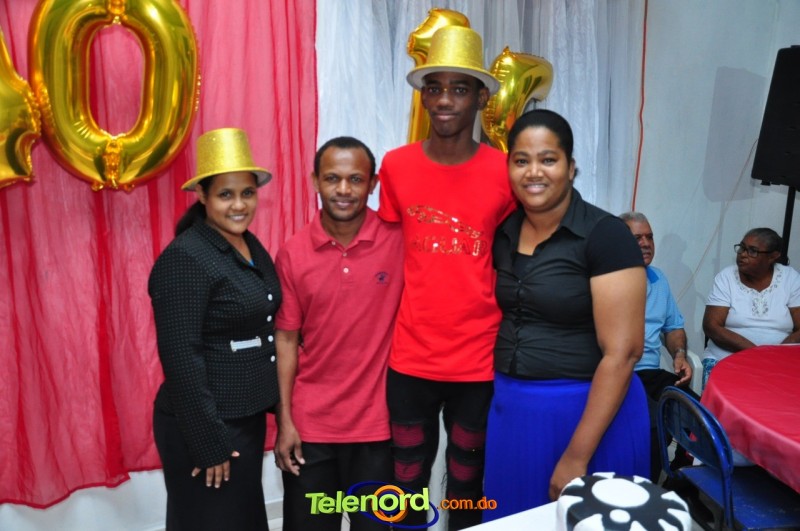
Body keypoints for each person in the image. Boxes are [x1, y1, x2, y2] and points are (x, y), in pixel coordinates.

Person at [377, 26, 516, 529]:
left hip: (477, 358)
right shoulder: (395, 166)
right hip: (410, 355)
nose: (444, 100)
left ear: (481, 98)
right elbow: (386, 260)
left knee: (466, 481)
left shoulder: (506, 172)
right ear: (422, 95)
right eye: (434, 87)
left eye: (459, 89)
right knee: (406, 481)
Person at [484, 109, 649, 520]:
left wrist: (577, 455)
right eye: (521, 160)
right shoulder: (504, 232)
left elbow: (623, 353)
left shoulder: (605, 235)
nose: (533, 172)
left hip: (587, 418)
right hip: (513, 414)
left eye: (548, 159)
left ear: (571, 167)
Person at [149, 128, 281, 530]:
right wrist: (207, 443)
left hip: (243, 417)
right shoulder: (186, 257)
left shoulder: (247, 243)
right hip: (207, 424)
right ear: (202, 196)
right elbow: (180, 358)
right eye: (226, 194)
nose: (239, 205)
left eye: (247, 193)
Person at [273, 137, 404, 531]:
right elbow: (286, 340)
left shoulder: (398, 241)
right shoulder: (293, 252)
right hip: (310, 430)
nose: (343, 190)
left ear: (373, 184)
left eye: (355, 179)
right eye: (332, 178)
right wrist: (285, 421)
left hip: (378, 429)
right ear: (315, 181)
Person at [620, 211, 696, 481]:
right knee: (653, 427)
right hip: (619, 373)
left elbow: (673, 327)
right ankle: (644, 489)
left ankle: (682, 476)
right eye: (637, 238)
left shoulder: (658, 278)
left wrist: (680, 354)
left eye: (649, 237)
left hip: (650, 372)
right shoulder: (606, 281)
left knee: (699, 413)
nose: (646, 243)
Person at [701, 227, 800, 388]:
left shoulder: (790, 278)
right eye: (742, 248)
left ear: (773, 256)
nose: (743, 254)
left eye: (752, 251)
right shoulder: (726, 277)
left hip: (778, 362)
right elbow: (711, 326)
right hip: (726, 358)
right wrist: (757, 354)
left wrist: (775, 355)